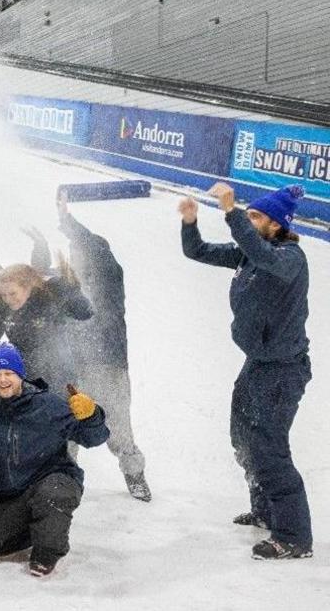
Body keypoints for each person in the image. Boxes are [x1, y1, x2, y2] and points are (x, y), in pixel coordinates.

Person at [180, 183, 313, 560]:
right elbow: (197, 251)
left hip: (283, 370)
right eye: (248, 214)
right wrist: (190, 223)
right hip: (258, 362)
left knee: (270, 448)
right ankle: (265, 510)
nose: (249, 220)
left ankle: (294, 537)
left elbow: (265, 257)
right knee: (243, 437)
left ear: (276, 225)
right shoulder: (249, 255)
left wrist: (231, 212)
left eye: (256, 216)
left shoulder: (290, 258)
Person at [0, 343, 108, 576]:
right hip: (11, 492)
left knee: (53, 494)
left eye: (9, 373)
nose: (3, 379)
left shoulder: (48, 404)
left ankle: (47, 552)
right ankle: (36, 527)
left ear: (20, 375)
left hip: (53, 478)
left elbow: (93, 438)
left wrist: (92, 415)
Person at [48, 195, 150, 502]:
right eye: (72, 253)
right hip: (72, 368)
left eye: (79, 251)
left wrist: (68, 222)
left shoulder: (108, 276)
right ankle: (65, 479)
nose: (74, 257)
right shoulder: (64, 283)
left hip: (108, 365)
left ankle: (134, 474)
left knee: (118, 428)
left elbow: (92, 247)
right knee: (66, 427)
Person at [0, 260, 92, 396]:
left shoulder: (48, 298)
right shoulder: (3, 306)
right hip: (26, 377)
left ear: (28, 287)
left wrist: (72, 290)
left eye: (12, 294)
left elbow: (85, 313)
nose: (8, 299)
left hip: (58, 375)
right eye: (4, 295)